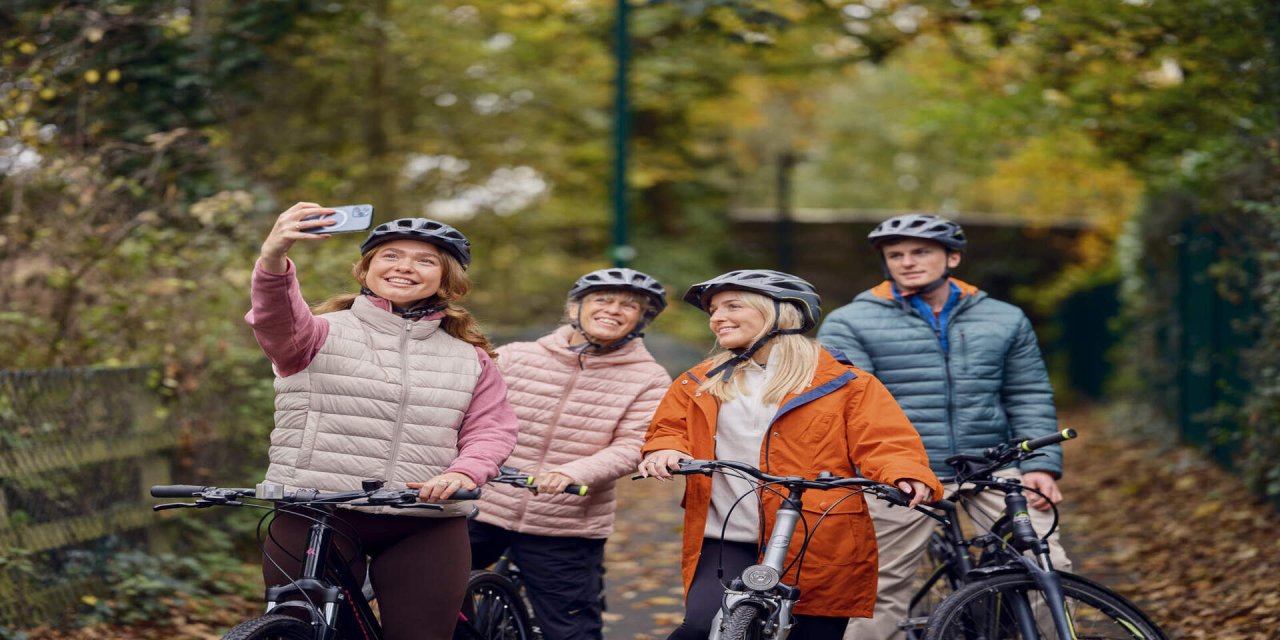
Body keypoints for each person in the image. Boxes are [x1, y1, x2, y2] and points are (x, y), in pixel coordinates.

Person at [244, 203, 519, 640]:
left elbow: (492, 429)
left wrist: (463, 472)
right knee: (305, 630)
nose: (405, 267)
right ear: (367, 268)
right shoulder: (317, 334)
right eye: (391, 255)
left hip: (424, 518)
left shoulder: (470, 358)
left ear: (448, 280)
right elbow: (274, 316)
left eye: (425, 260)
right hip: (316, 511)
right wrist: (275, 256)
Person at [639, 269, 943, 640]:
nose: (717, 318)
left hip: (818, 535)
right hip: (727, 534)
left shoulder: (847, 384)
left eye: (732, 306)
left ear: (780, 312)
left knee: (811, 633)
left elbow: (885, 441)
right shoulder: (699, 381)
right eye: (714, 310)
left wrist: (906, 472)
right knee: (701, 628)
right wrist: (665, 449)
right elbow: (669, 429)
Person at [817, 213, 1072, 640]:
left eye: (920, 252)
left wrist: (1040, 467)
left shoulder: (1004, 318)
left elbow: (1027, 394)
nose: (907, 262)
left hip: (992, 465)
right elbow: (851, 409)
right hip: (902, 470)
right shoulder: (850, 322)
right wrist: (884, 469)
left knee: (1048, 569)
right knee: (875, 588)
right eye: (895, 255)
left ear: (952, 257)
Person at [469, 267, 674, 640]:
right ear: (575, 307)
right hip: (484, 503)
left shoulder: (649, 377)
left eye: (629, 305)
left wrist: (573, 472)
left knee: (571, 629)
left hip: (566, 519)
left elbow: (633, 445)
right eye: (603, 300)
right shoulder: (515, 357)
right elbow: (473, 414)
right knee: (433, 600)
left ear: (641, 319)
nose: (614, 309)